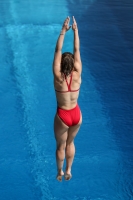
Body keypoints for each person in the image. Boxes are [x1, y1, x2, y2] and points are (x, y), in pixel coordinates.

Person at [53, 16, 82, 181]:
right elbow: (77, 51)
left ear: (61, 64)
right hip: (76, 114)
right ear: (73, 66)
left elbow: (58, 51)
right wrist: (76, 32)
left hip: (63, 116)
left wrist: (63, 31)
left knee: (60, 146)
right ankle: (69, 170)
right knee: (70, 143)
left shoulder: (58, 77)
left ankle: (59, 172)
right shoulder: (77, 75)